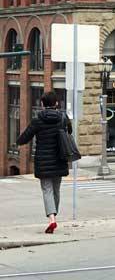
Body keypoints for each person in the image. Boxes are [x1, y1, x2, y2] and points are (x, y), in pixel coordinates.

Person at [17, 91, 71, 234]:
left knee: (47, 189)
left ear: (42, 105)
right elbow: (69, 131)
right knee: (56, 189)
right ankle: (54, 215)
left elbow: (24, 137)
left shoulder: (37, 120)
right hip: (59, 159)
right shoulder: (63, 118)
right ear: (57, 104)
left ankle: (52, 219)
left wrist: (17, 141)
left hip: (43, 161)